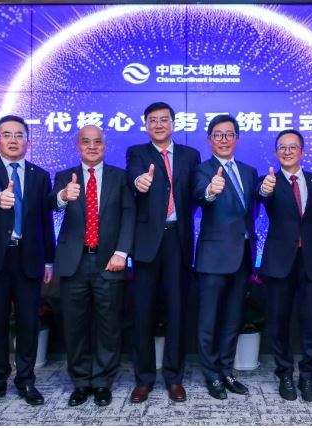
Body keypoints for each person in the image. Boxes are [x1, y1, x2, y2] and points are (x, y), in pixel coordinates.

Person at [0, 115, 55, 409]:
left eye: (19, 135)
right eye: (7, 135)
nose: (13, 140)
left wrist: (50, 260)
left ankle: (26, 381)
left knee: (29, 323)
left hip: (29, 257)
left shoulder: (40, 175)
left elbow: (45, 220)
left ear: (28, 141)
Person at [49, 125, 135, 407]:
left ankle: (102, 382)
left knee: (108, 325)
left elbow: (129, 216)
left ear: (105, 145)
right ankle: (81, 382)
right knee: (75, 325)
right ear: (78, 146)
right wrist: (63, 196)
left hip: (108, 261)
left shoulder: (119, 177)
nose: (92, 147)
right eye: (86, 142)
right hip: (74, 262)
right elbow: (51, 204)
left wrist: (122, 253)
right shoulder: (65, 177)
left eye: (97, 142)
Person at [126, 102, 201, 403]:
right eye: (152, 120)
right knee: (143, 313)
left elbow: (195, 194)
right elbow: (134, 177)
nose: (158, 125)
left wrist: (209, 191)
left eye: (164, 120)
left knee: (177, 312)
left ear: (173, 123)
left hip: (178, 240)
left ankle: (174, 377)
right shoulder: (137, 153)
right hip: (147, 243)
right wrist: (139, 181)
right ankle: (144, 379)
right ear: (146, 125)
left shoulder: (190, 155)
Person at [258, 129, 312, 402]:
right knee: (278, 321)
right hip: (279, 263)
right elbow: (262, 196)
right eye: (282, 147)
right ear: (276, 152)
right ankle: (284, 374)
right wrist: (264, 190)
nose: (288, 151)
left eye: (293, 147)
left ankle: (308, 375)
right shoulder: (268, 181)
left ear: (302, 152)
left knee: (310, 321)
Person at [192, 114, 259, 400]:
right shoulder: (202, 170)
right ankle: (211, 375)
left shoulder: (249, 171)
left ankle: (226, 371)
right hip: (213, 257)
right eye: (217, 135)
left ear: (237, 139)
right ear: (209, 140)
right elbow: (200, 195)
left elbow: (252, 210)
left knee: (233, 319)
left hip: (243, 256)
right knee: (209, 320)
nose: (223, 139)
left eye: (229, 134)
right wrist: (210, 191)